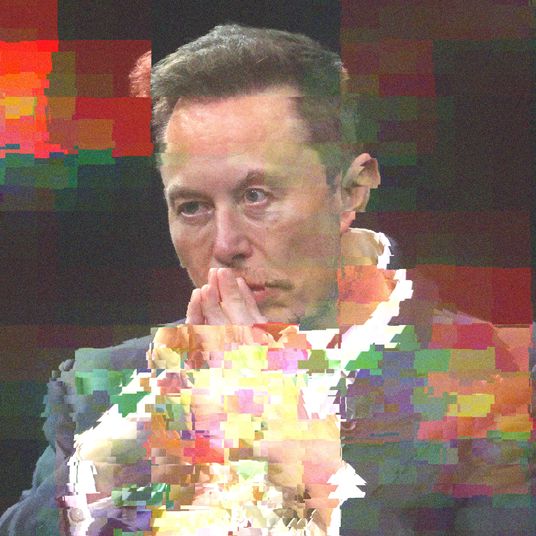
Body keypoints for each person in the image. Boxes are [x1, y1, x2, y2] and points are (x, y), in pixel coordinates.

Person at [0, 24, 533, 535]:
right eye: (192, 206)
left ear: (351, 190)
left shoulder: (495, 374)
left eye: (256, 196)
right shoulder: (102, 389)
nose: (225, 243)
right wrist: (152, 429)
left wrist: (276, 456)